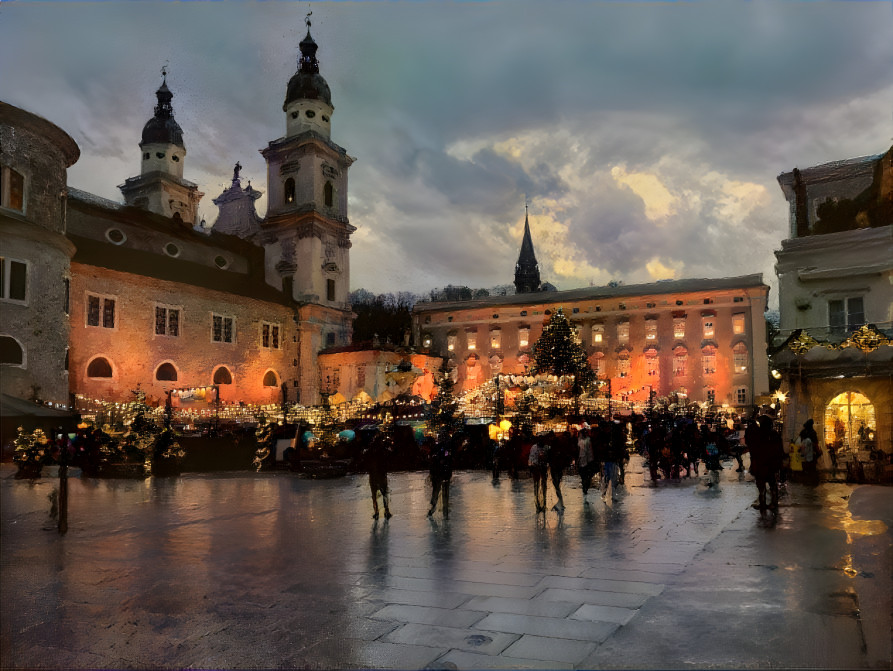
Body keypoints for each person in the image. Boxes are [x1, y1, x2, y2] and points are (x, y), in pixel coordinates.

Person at [749, 415, 785, 510]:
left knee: (764, 485)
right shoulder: (773, 434)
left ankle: (765, 504)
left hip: (764, 464)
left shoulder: (759, 434)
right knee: (771, 484)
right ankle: (771, 503)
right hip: (769, 464)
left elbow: (754, 450)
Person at [364, 434, 392, 519]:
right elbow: (388, 457)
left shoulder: (371, 450)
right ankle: (386, 511)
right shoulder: (382, 450)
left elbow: (366, 459)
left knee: (374, 495)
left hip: (373, 475)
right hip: (381, 474)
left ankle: (376, 512)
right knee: (384, 493)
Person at [427, 439, 453, 518]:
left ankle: (434, 508)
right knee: (443, 492)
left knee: (437, 491)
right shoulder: (446, 452)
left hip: (439, 475)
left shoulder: (437, 452)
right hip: (443, 475)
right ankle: (444, 511)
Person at [528, 433, 549, 513]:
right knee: (536, 486)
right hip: (536, 468)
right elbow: (531, 458)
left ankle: (543, 504)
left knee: (543, 486)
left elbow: (548, 458)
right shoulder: (534, 448)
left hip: (543, 468)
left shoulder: (546, 448)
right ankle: (537, 504)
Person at [577, 427, 596, 496]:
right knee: (584, 476)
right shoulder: (581, 440)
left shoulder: (587, 440)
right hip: (584, 461)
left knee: (586, 475)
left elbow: (589, 451)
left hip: (587, 461)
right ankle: (585, 487)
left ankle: (585, 487)